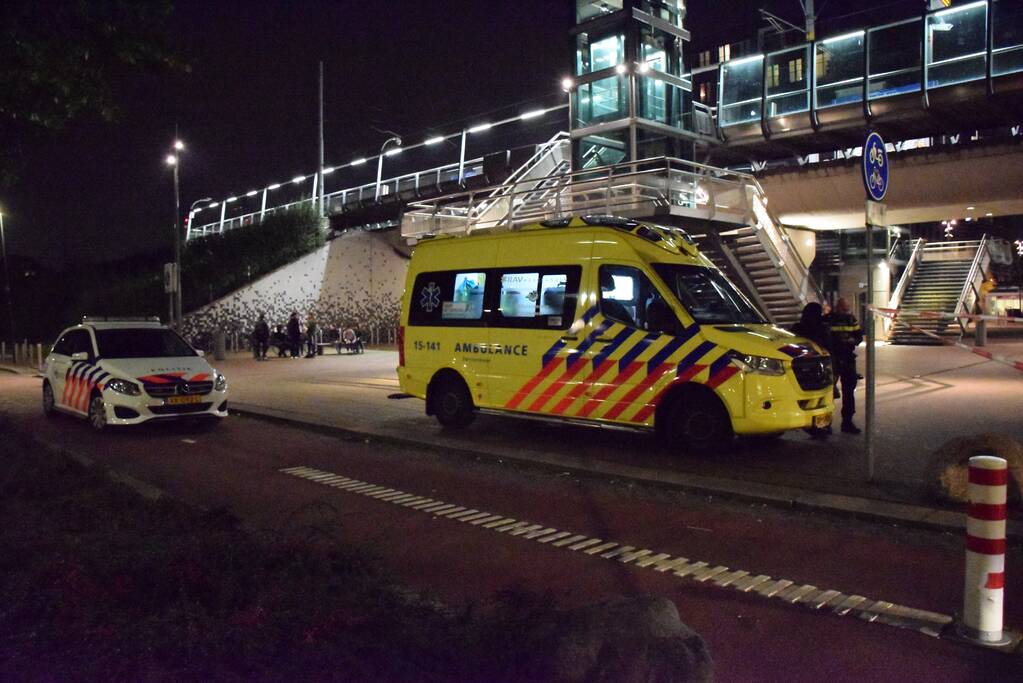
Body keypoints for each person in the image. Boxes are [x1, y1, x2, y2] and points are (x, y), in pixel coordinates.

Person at [791, 302, 832, 438]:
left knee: (810, 399)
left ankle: (816, 425)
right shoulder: (822, 328)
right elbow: (829, 347)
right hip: (820, 369)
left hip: (802, 369)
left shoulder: (798, 328)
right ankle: (822, 425)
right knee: (824, 398)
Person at [824, 297, 864, 434]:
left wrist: (852, 340)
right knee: (828, 392)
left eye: (847, 308)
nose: (846, 311)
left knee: (849, 391)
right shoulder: (828, 319)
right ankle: (825, 423)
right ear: (837, 306)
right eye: (844, 308)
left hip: (847, 357)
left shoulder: (851, 319)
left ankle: (847, 422)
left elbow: (859, 336)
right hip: (832, 359)